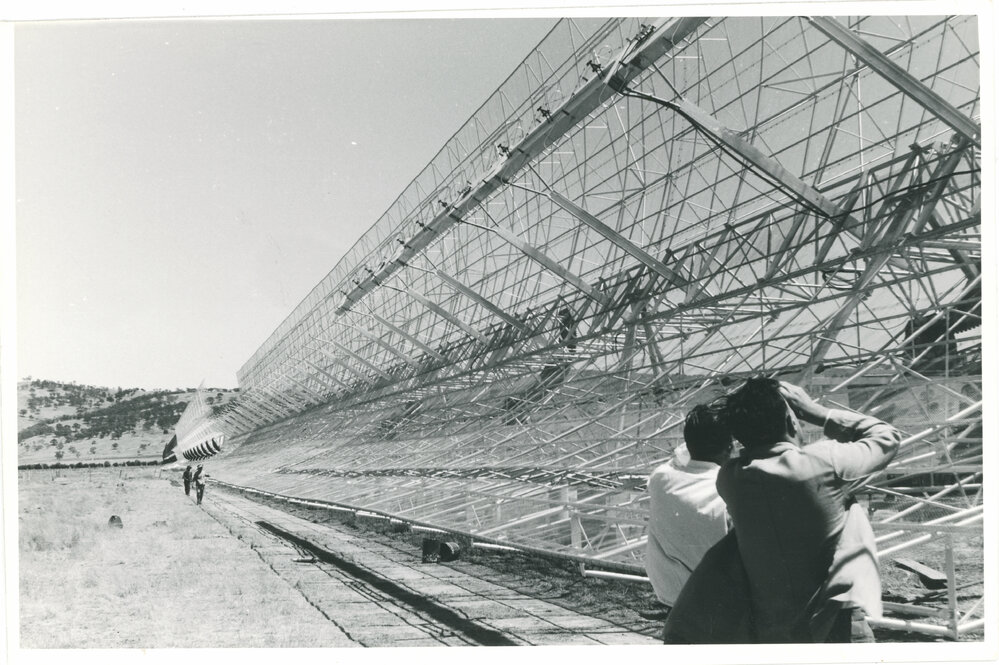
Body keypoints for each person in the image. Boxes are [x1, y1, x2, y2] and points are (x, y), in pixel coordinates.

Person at [717, 377, 902, 643]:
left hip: (771, 630)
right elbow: (887, 437)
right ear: (791, 421)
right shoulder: (824, 461)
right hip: (834, 626)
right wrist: (819, 413)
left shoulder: (729, 478)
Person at [645, 401, 732, 627]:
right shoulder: (729, 491)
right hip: (718, 605)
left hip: (674, 598)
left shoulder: (660, 478)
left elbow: (679, 456)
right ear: (729, 447)